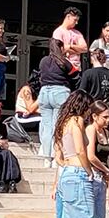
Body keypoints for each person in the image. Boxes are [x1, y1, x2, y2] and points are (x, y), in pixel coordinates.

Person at [52, 90, 106, 218]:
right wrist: (89, 172)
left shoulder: (62, 123)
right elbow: (81, 150)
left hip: (66, 174)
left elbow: (58, 155)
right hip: (78, 173)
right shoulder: (77, 121)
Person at [36, 38, 74, 166]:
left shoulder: (43, 61)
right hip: (60, 93)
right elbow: (75, 74)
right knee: (58, 126)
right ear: (61, 48)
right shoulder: (64, 61)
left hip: (44, 93)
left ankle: (47, 158)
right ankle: (56, 156)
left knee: (47, 127)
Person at [52, 6, 88, 75]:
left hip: (76, 69)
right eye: (75, 20)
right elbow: (59, 50)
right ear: (68, 17)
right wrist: (77, 50)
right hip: (63, 68)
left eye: (77, 20)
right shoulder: (58, 32)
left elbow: (85, 48)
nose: (76, 23)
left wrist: (69, 46)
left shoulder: (77, 33)